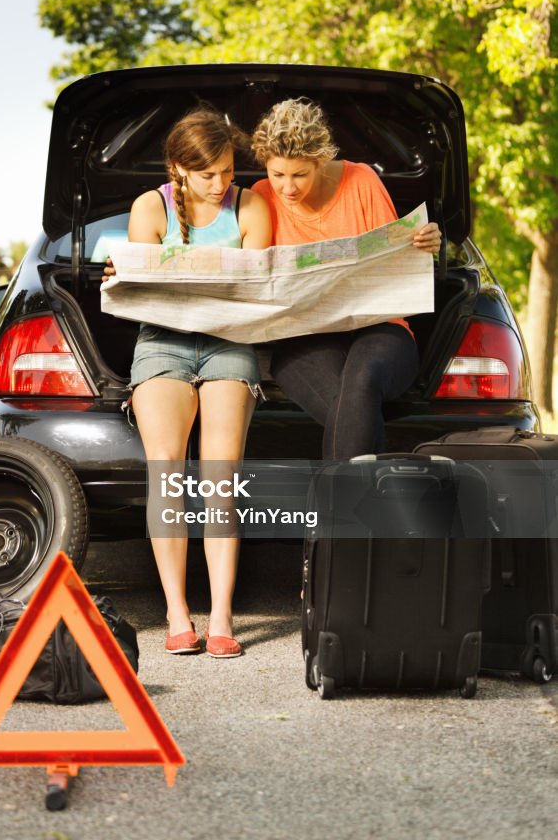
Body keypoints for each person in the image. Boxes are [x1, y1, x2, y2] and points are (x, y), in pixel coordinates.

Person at [120, 109, 271, 658]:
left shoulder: (252, 204)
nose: (220, 184)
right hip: (163, 341)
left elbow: (257, 288)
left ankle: (223, 617)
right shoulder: (149, 207)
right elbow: (147, 290)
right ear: (178, 169)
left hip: (230, 341)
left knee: (220, 480)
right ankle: (178, 613)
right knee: (167, 474)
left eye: (228, 171)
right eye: (207, 175)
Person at [250, 97, 442, 460]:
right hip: (303, 337)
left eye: (299, 175)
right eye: (277, 175)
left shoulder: (361, 180)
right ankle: (359, 506)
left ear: (320, 161)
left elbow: (396, 257)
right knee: (353, 407)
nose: (287, 188)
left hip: (380, 327)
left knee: (361, 380)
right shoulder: (260, 197)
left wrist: (424, 242)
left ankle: (338, 510)